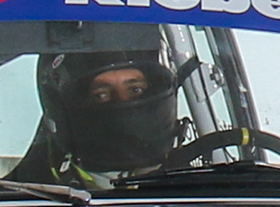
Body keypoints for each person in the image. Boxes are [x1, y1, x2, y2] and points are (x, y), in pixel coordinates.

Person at [30, 40, 186, 185]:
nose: (122, 101)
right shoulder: (27, 197)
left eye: (135, 90)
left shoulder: (195, 183)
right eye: (101, 95)